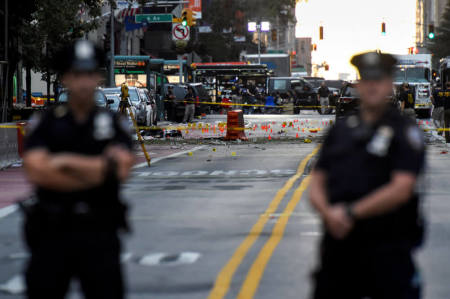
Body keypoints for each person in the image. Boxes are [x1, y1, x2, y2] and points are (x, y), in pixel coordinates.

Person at [22, 40, 135, 299]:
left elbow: (121, 170)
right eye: (76, 75)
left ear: (97, 76)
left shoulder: (112, 123)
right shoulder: (47, 123)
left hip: (100, 231)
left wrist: (63, 163)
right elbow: (38, 171)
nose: (84, 82)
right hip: (52, 232)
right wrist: (99, 169)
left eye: (89, 74)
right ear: (65, 78)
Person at [309, 51, 425, 299]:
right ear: (359, 85)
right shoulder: (340, 131)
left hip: (387, 249)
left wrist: (350, 213)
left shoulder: (404, 133)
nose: (372, 86)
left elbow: (402, 187)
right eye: (367, 81)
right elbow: (317, 181)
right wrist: (329, 215)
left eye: (379, 80)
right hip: (340, 250)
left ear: (389, 86)